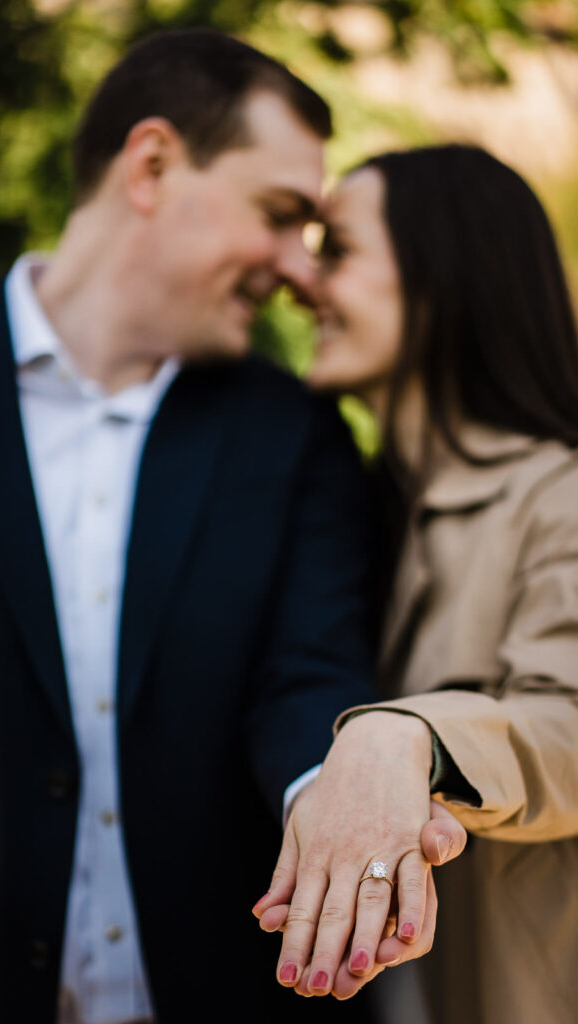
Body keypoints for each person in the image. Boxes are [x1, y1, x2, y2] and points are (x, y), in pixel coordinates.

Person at [0, 31, 466, 1024]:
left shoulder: (292, 434)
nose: (298, 269)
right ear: (151, 166)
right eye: (279, 215)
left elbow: (307, 670)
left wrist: (336, 801)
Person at [255, 144, 578, 1023]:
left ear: (441, 278)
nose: (299, 280)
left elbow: (569, 724)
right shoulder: (357, 518)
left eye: (338, 249)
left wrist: (410, 738)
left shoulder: (561, 496)